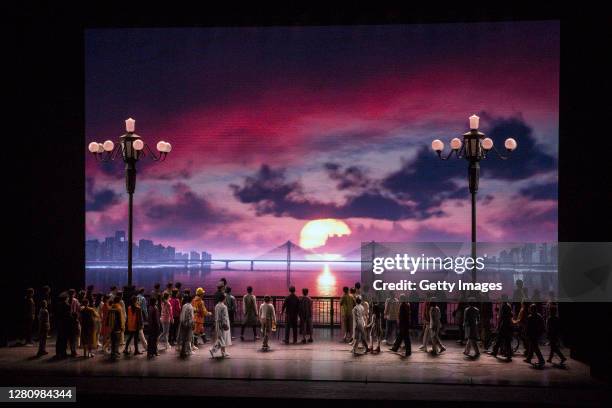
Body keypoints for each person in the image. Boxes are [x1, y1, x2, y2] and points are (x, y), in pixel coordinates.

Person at [491, 295, 513, 361]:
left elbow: (501, 317)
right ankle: (509, 354)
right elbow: (511, 315)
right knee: (507, 341)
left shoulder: (503, 306)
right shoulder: (508, 306)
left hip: (503, 325)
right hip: (508, 325)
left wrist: (498, 325)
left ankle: (495, 352)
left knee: (499, 339)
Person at [525, 303, 545, 368]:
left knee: (535, 347)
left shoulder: (530, 317)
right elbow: (542, 325)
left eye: (530, 308)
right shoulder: (539, 316)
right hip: (537, 334)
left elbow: (528, 327)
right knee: (532, 346)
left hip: (532, 334)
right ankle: (528, 358)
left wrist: (526, 334)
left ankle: (541, 360)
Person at [54, 294, 70, 358]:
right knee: (64, 339)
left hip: (59, 323)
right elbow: (68, 315)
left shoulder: (58, 305)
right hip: (65, 323)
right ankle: (63, 352)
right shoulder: (67, 305)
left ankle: (58, 352)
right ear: (66, 298)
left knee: (59, 338)